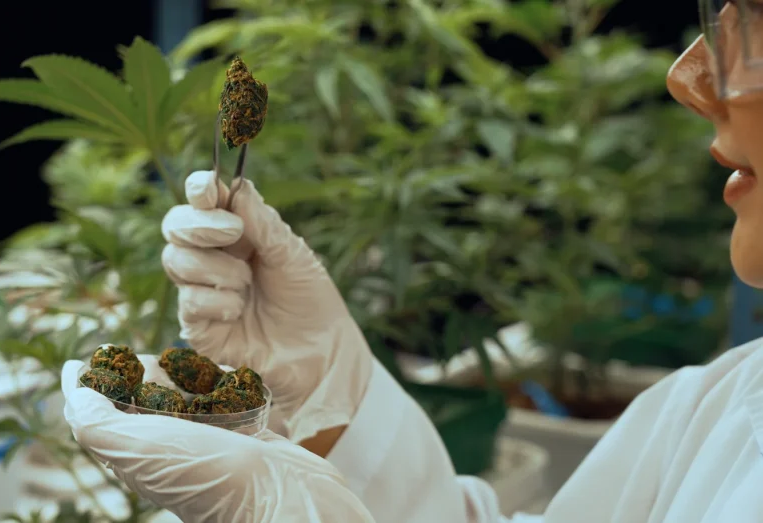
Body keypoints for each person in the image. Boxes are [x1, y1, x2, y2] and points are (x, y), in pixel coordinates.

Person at [60, 1, 763, 521]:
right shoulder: (723, 406)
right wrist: (333, 404)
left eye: (756, 22)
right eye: (716, 12)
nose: (690, 78)